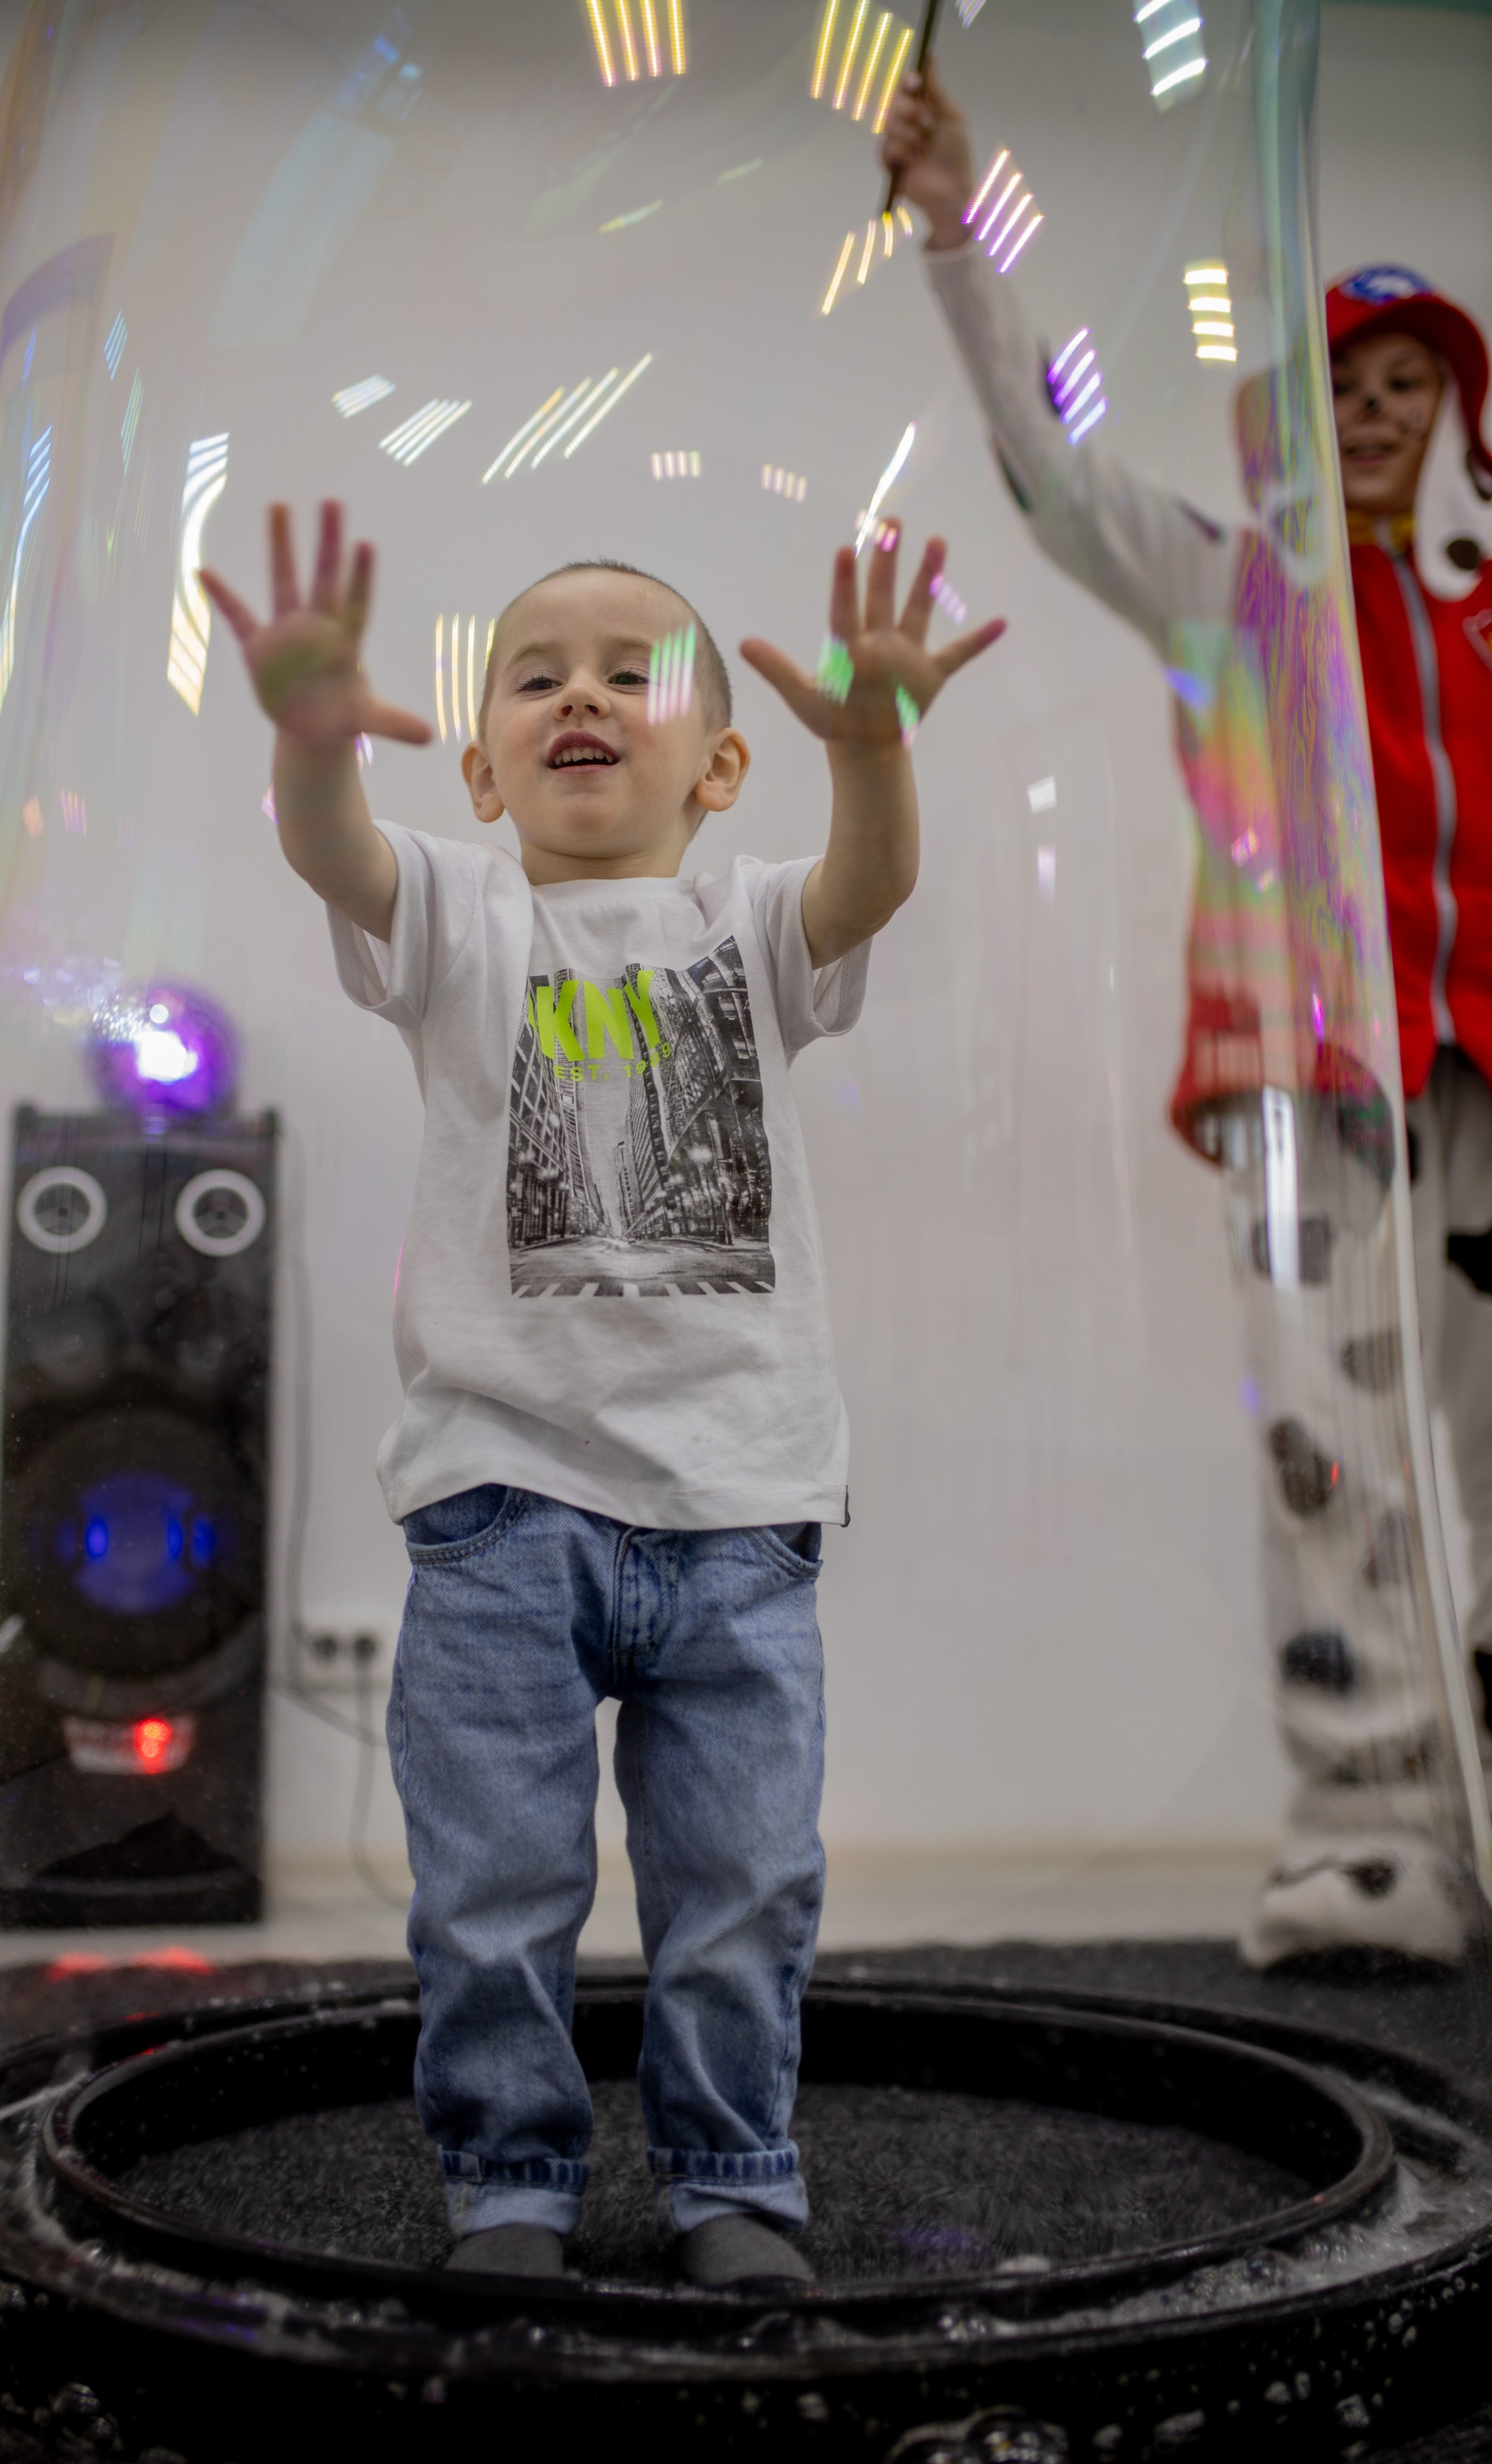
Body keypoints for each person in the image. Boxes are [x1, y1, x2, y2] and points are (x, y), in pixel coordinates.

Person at [201, 506, 1002, 2280]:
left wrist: (872, 750)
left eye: (630, 676)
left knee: (743, 1889)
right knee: (492, 1893)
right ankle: (510, 2184)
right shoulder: (464, 921)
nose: (580, 697)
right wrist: (313, 738)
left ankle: (733, 2176)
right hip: (502, 1498)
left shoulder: (754, 921)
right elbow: (337, 852)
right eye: (535, 679)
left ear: (719, 766)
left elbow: (870, 884)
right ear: (482, 771)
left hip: (740, 1509)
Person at [882, 65, 1492, 1965]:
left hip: (1482, 1076)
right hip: (1304, 1073)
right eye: (1347, 383)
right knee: (1326, 1445)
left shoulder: (1485, 621)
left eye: (1411, 381)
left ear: (1459, 414)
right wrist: (957, 231)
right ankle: (1372, 1825)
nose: (1376, 410)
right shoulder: (1236, 596)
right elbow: (1054, 474)